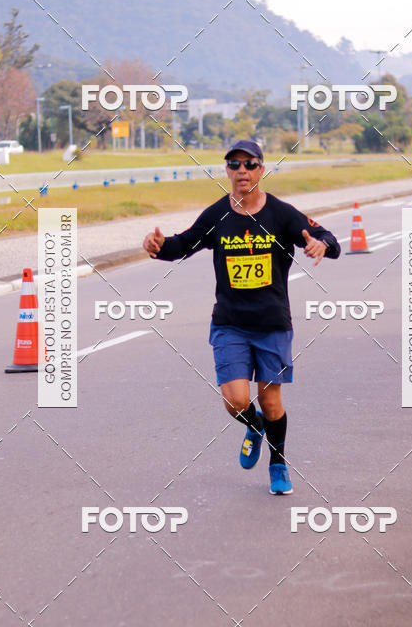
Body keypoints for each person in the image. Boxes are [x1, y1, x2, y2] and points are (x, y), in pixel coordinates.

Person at [143, 139, 340, 494]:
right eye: (234, 165)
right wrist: (158, 248)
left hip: (272, 324)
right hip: (230, 323)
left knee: (271, 401)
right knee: (235, 401)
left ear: (261, 170)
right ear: (227, 172)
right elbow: (182, 245)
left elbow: (327, 236)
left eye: (249, 164)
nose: (242, 171)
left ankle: (278, 463)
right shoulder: (217, 214)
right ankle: (254, 426)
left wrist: (321, 243)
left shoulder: (281, 214)